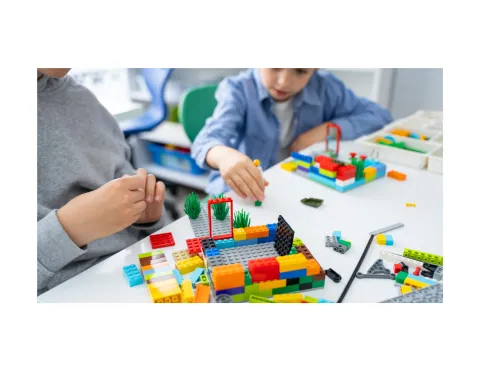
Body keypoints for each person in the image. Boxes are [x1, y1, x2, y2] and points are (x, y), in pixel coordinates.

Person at [37, 68, 166, 294]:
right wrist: (70, 228)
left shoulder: (83, 100)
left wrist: (144, 216)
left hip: (136, 266)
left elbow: (123, 173)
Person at [191, 68, 392, 199]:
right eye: (275, 66)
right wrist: (223, 155)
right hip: (242, 195)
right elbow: (205, 142)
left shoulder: (326, 87)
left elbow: (379, 115)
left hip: (299, 190)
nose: (284, 81)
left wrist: (327, 130)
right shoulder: (237, 90)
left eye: (300, 71)